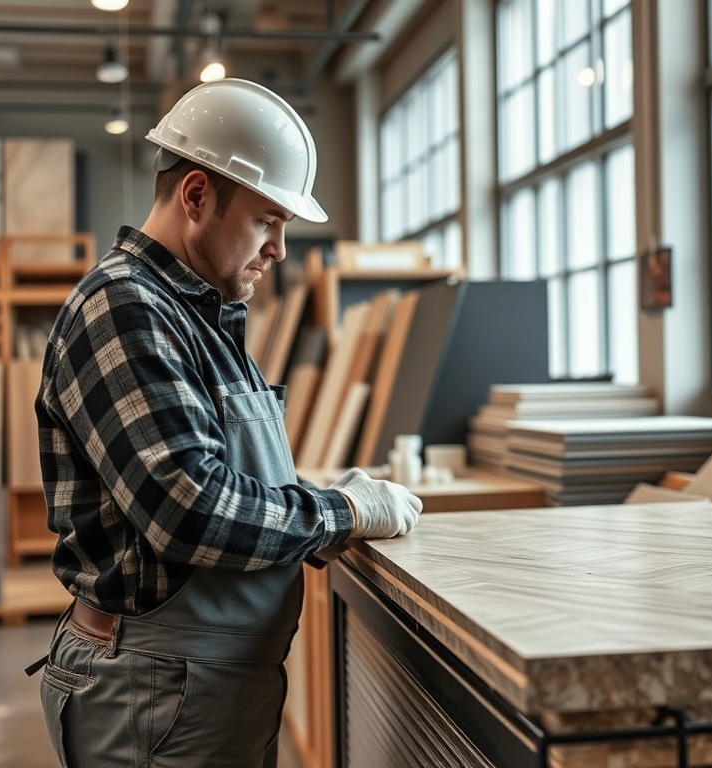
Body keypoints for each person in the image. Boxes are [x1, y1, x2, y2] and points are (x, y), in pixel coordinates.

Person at [26, 78, 422, 767]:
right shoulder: (123, 307)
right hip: (154, 686)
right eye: (268, 220)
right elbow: (187, 506)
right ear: (197, 196)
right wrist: (340, 513)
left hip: (201, 681)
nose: (279, 250)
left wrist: (319, 508)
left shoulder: (196, 315)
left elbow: (227, 473)